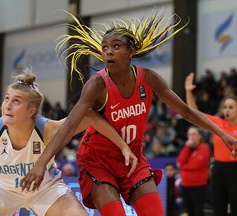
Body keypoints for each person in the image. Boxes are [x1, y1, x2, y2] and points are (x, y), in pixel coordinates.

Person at [20, 12, 237, 216]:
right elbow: (68, 126)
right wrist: (41, 163)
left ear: (130, 52)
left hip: (132, 157)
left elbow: (186, 111)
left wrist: (222, 134)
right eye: (105, 47)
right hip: (98, 160)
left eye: (116, 46)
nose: (108, 51)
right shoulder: (96, 85)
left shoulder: (149, 78)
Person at [0, 68, 138, 216]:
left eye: (16, 101)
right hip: (3, 189)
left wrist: (123, 146)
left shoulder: (47, 130)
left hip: (45, 190)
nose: (7, 105)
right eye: (7, 98)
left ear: (31, 110)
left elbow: (91, 116)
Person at [185, 72, 237, 216]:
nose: (227, 110)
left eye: (231, 107)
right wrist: (189, 90)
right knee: (218, 209)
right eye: (225, 107)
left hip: (235, 170)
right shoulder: (218, 124)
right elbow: (195, 114)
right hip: (218, 170)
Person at [177, 126, 211, 216]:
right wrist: (187, 147)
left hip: (198, 185)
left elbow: (196, 165)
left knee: (198, 211)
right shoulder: (187, 148)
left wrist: (184, 166)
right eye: (189, 134)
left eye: (194, 134)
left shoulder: (204, 148)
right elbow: (180, 162)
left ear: (200, 136)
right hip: (185, 185)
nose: (191, 137)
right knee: (189, 211)